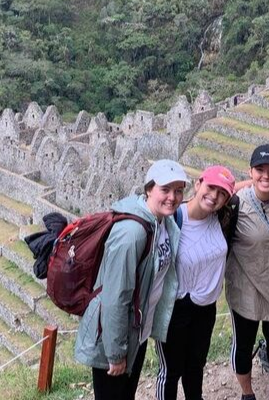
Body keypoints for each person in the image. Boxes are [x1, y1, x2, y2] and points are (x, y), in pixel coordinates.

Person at [75, 159, 188, 400]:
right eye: (165, 190)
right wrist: (115, 354)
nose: (173, 197)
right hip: (114, 339)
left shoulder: (163, 222)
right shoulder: (132, 234)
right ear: (148, 189)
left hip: (137, 332)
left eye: (178, 191)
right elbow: (115, 297)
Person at [155, 165, 237, 400]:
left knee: (195, 367)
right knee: (170, 371)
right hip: (175, 308)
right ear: (198, 183)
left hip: (206, 308)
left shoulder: (222, 218)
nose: (214, 196)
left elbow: (250, 188)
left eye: (222, 193)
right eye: (211, 187)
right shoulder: (173, 218)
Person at [223, 144, 269, 400]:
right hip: (246, 290)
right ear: (250, 171)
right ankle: (247, 393)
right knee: (243, 346)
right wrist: (245, 183)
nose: (266, 176)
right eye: (260, 170)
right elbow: (209, 194)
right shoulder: (237, 204)